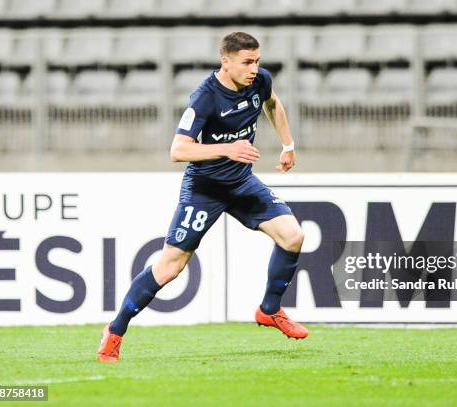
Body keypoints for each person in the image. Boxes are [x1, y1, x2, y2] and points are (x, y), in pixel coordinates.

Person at [97, 32, 307, 362]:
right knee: (169, 267)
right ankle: (115, 330)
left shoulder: (260, 81)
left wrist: (288, 145)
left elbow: (273, 104)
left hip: (241, 184)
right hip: (204, 189)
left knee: (293, 236)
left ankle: (270, 310)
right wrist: (228, 148)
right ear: (226, 61)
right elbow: (177, 151)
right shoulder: (205, 98)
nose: (254, 69)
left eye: (257, 62)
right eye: (247, 63)